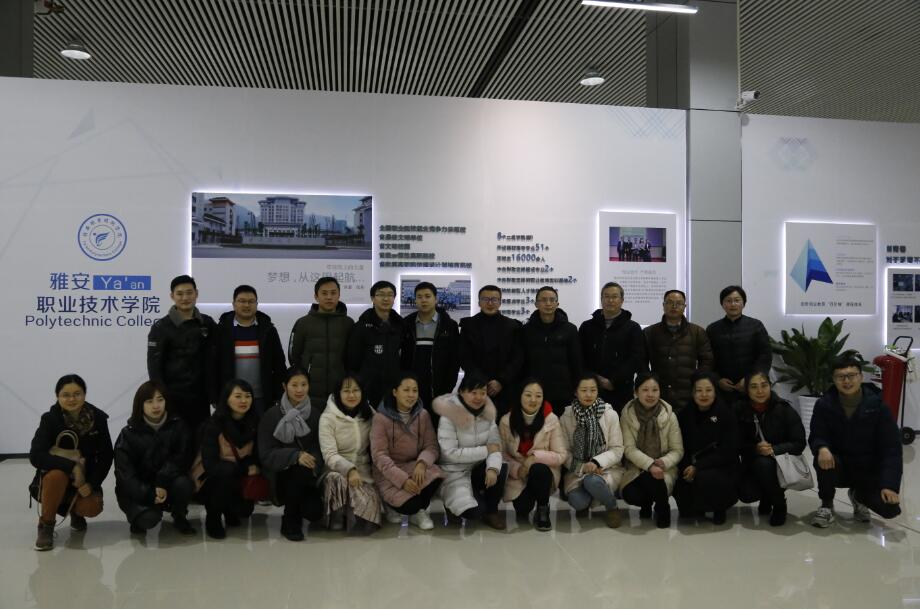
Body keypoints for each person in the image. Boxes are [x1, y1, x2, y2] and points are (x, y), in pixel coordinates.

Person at [808, 355, 902, 527]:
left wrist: (889, 485)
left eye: (851, 375)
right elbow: (817, 434)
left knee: (890, 509)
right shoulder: (824, 405)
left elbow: (892, 448)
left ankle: (858, 496)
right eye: (840, 376)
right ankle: (826, 504)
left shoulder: (878, 406)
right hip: (838, 465)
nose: (846, 381)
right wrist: (822, 448)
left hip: (866, 468)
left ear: (861, 377)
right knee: (823, 458)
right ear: (834, 379)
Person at [29, 374, 113, 551]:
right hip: (56, 480)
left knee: (91, 507)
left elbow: (106, 456)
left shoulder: (98, 418)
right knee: (56, 476)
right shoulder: (50, 419)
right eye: (65, 395)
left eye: (77, 394)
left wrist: (92, 483)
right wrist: (72, 467)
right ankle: (46, 525)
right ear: (57, 396)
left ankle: (75, 512)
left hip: (84, 480)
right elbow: (36, 455)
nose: (72, 399)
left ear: (85, 394)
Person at [114, 381, 196, 536]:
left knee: (184, 483)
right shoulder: (128, 434)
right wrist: (149, 493)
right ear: (140, 405)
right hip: (140, 489)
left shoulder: (178, 426)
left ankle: (179, 515)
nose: (156, 406)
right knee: (148, 519)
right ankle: (138, 519)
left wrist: (162, 481)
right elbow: (125, 474)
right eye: (149, 401)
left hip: (166, 483)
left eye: (160, 399)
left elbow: (182, 458)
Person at [432, 373, 508, 530]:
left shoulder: (488, 414)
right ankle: (453, 505)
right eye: (473, 392)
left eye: (483, 393)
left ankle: (492, 512)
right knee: (474, 512)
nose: (478, 397)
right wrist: (486, 450)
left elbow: (495, 445)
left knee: (500, 466)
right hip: (455, 471)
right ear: (461, 392)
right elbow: (451, 453)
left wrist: (492, 468)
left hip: (477, 468)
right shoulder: (449, 416)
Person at [370, 373, 444, 530]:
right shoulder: (380, 418)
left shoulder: (423, 415)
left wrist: (422, 463)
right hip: (388, 471)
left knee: (438, 476)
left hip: (413, 466)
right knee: (410, 505)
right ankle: (396, 505)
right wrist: (403, 480)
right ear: (395, 392)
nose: (411, 395)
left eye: (415, 390)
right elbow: (379, 456)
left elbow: (431, 446)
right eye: (406, 390)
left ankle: (419, 511)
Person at [258, 367, 325, 541]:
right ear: (284, 386)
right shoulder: (272, 415)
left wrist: (312, 460)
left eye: (304, 384)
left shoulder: (315, 413)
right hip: (280, 474)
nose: (299, 389)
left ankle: (296, 509)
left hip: (308, 473)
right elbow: (266, 453)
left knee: (315, 512)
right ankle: (290, 520)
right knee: (297, 471)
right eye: (294, 385)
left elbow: (320, 445)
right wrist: (295, 456)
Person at [147, 274, 217, 438]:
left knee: (201, 440)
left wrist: (214, 395)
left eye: (189, 292)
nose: (185, 298)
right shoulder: (161, 327)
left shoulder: (207, 323)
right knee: (176, 442)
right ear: (172, 296)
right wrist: (161, 397)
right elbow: (154, 367)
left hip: (201, 398)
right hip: (173, 398)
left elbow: (215, 360)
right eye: (179, 294)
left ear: (196, 294)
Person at [734, 370, 806, 527]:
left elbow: (799, 443)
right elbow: (733, 443)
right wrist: (754, 449)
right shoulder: (739, 409)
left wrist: (774, 449)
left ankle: (779, 504)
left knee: (764, 463)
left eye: (764, 385)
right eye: (754, 387)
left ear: (770, 386)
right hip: (751, 462)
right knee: (746, 494)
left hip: (780, 464)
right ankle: (767, 495)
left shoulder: (784, 409)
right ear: (747, 390)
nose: (760, 391)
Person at [193, 379, 262, 539]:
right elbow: (210, 464)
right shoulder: (214, 424)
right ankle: (213, 517)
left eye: (247, 396)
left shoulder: (255, 422)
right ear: (226, 399)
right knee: (226, 474)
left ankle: (229, 509)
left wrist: (252, 466)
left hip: (235, 476)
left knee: (244, 510)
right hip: (210, 479)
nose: (243, 400)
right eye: (238, 396)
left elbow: (255, 455)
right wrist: (244, 469)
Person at [499, 379, 568, 532]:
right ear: (520, 396)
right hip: (519, 475)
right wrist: (517, 469)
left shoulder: (551, 419)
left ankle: (543, 509)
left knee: (538, 469)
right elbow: (502, 454)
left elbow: (561, 455)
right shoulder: (506, 421)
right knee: (522, 509)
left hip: (543, 470)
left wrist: (534, 458)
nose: (533, 400)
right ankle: (529, 499)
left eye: (538, 396)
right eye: (528, 395)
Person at [318, 375, 382, 534]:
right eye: (346, 391)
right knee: (337, 480)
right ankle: (336, 516)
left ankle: (352, 511)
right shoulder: (327, 418)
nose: (352, 395)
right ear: (338, 393)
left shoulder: (369, 413)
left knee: (367, 523)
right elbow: (329, 454)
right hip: (335, 471)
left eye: (356, 390)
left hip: (364, 473)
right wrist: (350, 470)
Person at [559, 374, 625, 528]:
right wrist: (583, 467)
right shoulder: (566, 416)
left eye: (593, 390)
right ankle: (593, 496)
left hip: (605, 469)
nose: (588, 394)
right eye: (584, 390)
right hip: (577, 470)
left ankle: (612, 506)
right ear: (576, 392)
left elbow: (617, 449)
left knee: (592, 481)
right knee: (577, 502)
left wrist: (596, 462)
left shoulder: (610, 414)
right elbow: (564, 452)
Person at [673, 371, 739, 525]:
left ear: (715, 391)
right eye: (699, 390)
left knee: (706, 477)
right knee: (686, 511)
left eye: (708, 390)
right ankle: (697, 506)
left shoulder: (726, 414)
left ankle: (719, 508)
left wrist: (698, 466)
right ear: (692, 393)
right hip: (691, 463)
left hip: (719, 465)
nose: (704, 395)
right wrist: (686, 466)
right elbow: (679, 446)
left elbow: (728, 451)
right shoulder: (684, 415)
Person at [620, 373, 684, 528]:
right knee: (631, 493)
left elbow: (677, 450)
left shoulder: (669, 415)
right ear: (636, 392)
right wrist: (649, 465)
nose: (650, 394)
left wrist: (663, 462)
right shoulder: (627, 414)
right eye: (645, 390)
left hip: (664, 467)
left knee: (655, 478)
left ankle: (662, 509)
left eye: (655, 390)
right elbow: (628, 448)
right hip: (637, 467)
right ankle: (647, 503)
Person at [214, 285, 286, 416]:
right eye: (242, 301)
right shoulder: (221, 330)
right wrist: (215, 396)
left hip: (261, 398)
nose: (247, 305)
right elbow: (213, 365)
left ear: (257, 304)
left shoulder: (268, 330)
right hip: (231, 397)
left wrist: (278, 395)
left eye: (251, 301)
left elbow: (279, 365)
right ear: (234, 304)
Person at [578, 281, 647, 411]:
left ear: (622, 300)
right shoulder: (587, 327)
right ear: (601, 299)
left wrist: (613, 381)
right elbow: (580, 357)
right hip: (591, 389)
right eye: (606, 296)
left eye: (614, 297)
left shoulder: (632, 328)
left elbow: (635, 358)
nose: (610, 300)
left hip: (621, 390)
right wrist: (596, 379)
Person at [289, 277, 355, 408]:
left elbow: (353, 357)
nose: (329, 297)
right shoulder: (303, 323)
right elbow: (293, 355)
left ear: (339, 295)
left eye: (333, 293)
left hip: (340, 390)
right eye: (324, 293)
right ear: (316, 296)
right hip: (310, 391)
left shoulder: (348, 323)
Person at [459, 284, 523, 418]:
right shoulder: (468, 326)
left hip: (505, 389)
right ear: (479, 302)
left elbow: (517, 358)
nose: (490, 303)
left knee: (504, 426)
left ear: (500, 302)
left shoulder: (513, 327)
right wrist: (481, 383)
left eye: (494, 299)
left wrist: (501, 381)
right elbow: (464, 357)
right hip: (474, 387)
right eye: (485, 299)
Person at [643, 289, 713, 412]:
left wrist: (697, 384)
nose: (674, 306)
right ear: (663, 305)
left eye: (679, 303)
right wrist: (650, 385)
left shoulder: (697, 332)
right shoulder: (650, 332)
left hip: (688, 395)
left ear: (684, 307)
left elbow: (707, 361)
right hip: (658, 394)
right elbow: (641, 362)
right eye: (670, 302)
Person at [401, 282, 460, 423]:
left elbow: (454, 359)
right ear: (415, 300)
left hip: (439, 388)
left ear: (436, 299)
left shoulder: (449, 325)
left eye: (427, 296)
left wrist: (448, 387)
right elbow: (401, 358)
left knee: (437, 425)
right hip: (412, 389)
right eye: (419, 297)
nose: (423, 300)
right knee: (412, 425)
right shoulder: (406, 324)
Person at [520, 286, 582, 415]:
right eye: (543, 300)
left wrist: (577, 386)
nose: (548, 303)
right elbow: (521, 362)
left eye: (552, 300)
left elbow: (576, 361)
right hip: (534, 392)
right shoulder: (526, 330)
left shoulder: (569, 329)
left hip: (563, 392)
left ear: (557, 304)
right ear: (536, 304)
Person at [705, 286, 772, 402]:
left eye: (737, 300)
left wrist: (749, 379)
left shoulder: (756, 326)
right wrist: (717, 380)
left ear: (743, 303)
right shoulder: (713, 329)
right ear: (722, 304)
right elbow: (708, 358)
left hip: (752, 387)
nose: (733, 304)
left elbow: (765, 355)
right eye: (728, 300)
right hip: (722, 388)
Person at [345, 280, 403, 408]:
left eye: (390, 295)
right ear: (372, 298)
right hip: (367, 388)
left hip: (394, 388)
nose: (386, 298)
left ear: (394, 298)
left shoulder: (401, 325)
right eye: (381, 294)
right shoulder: (360, 327)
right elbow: (353, 360)